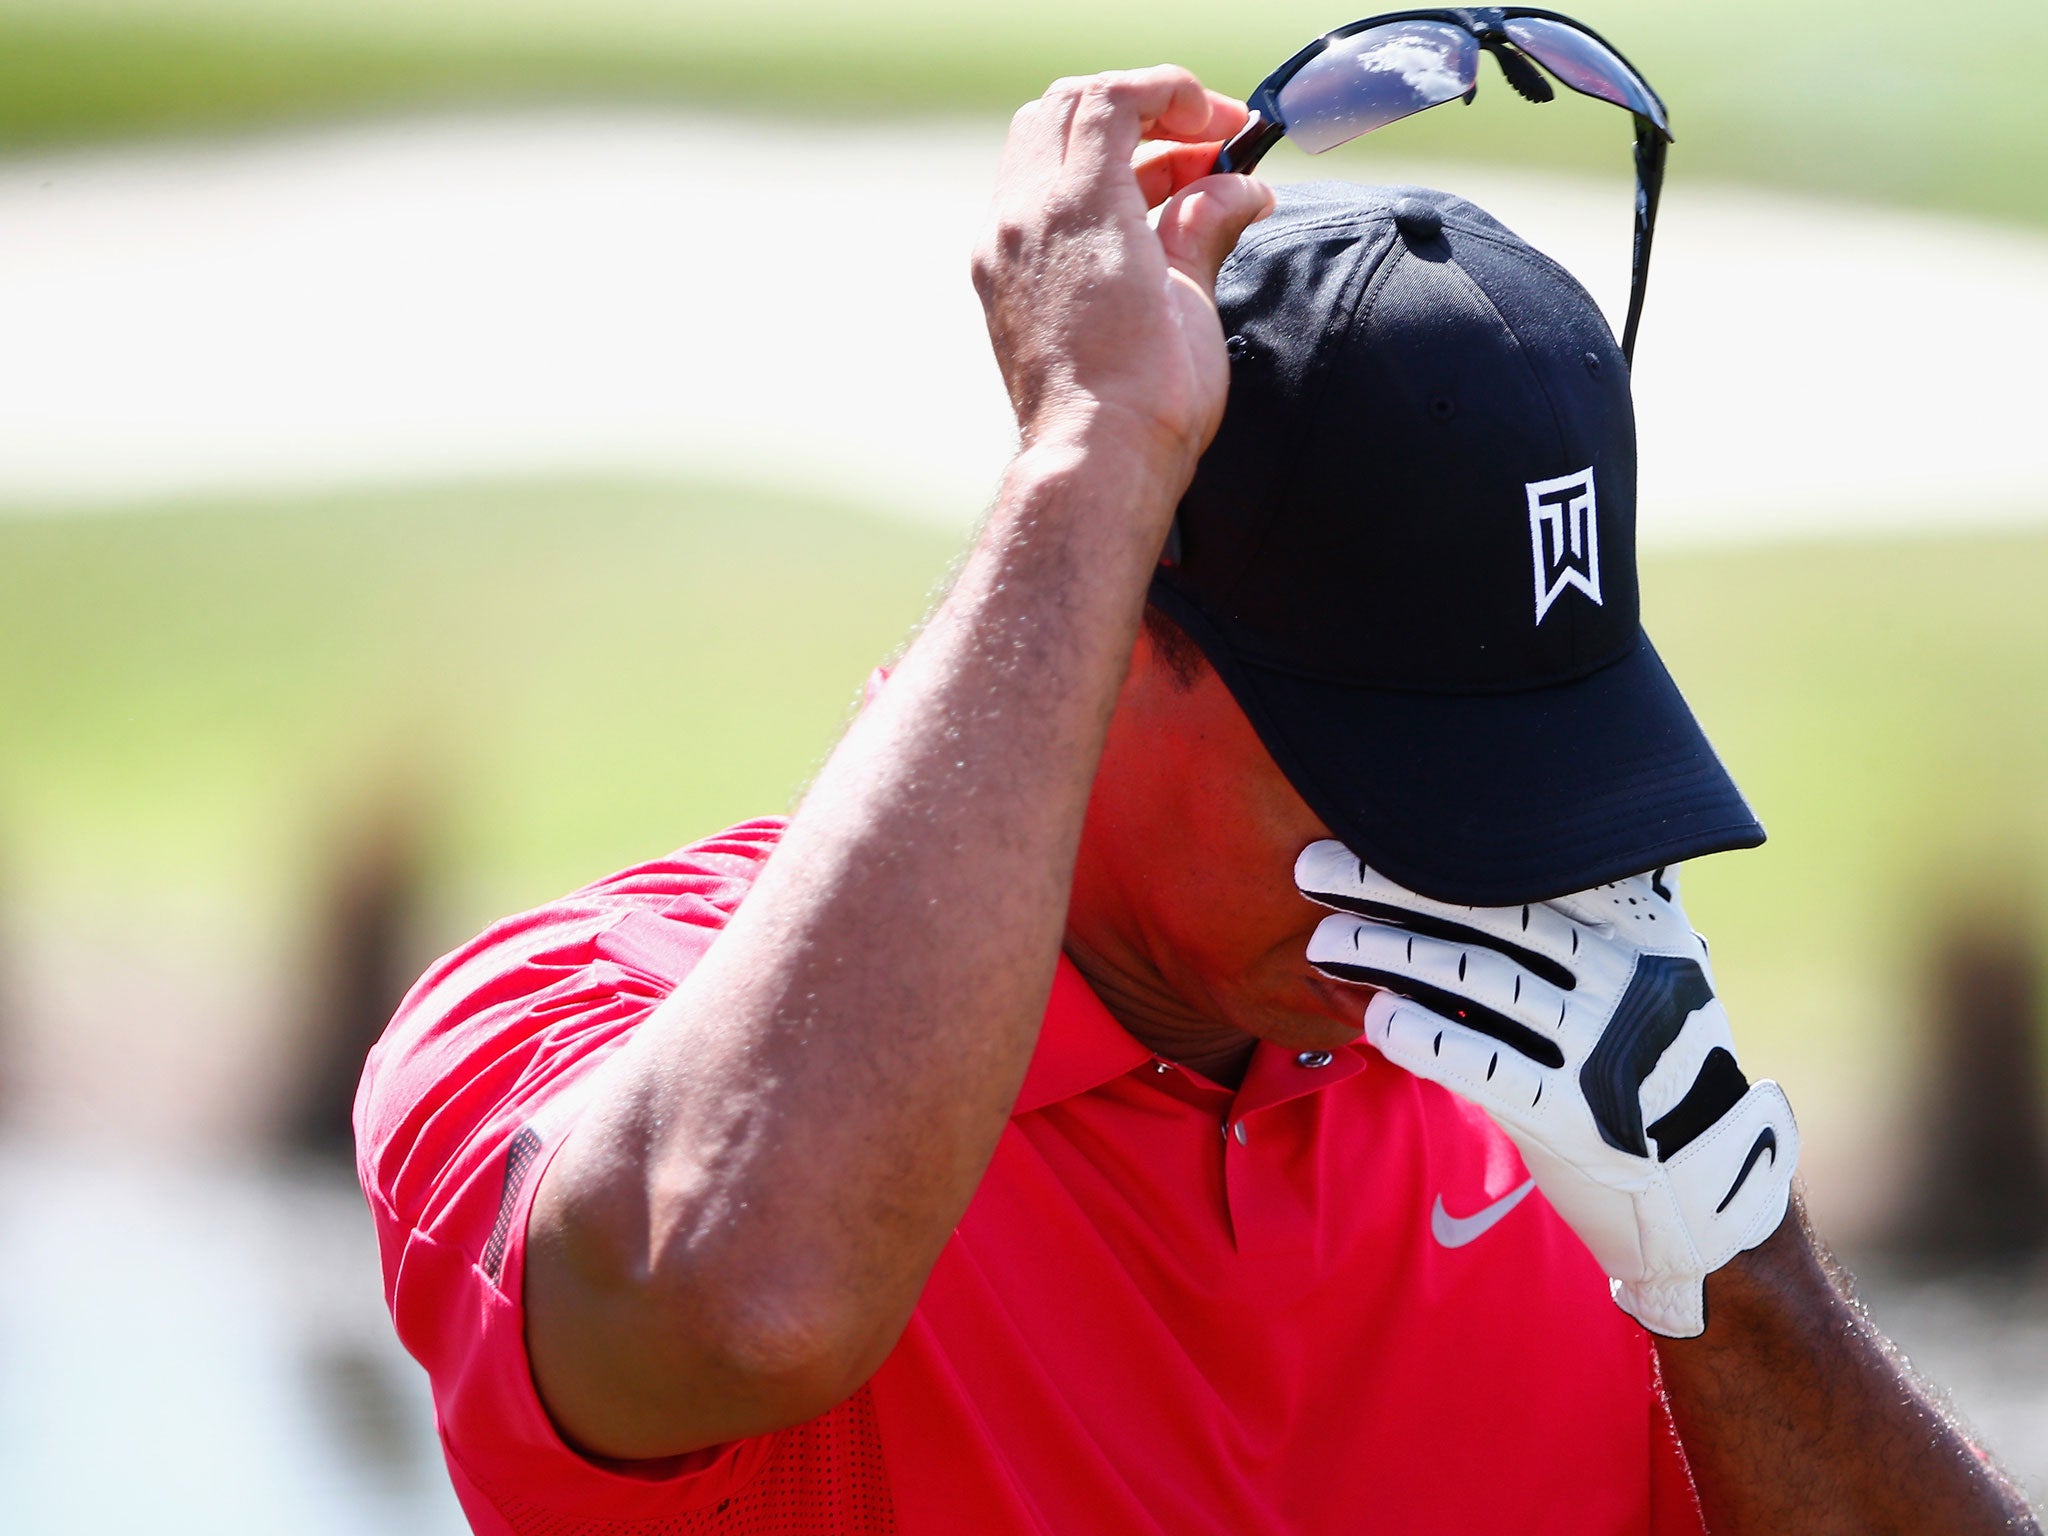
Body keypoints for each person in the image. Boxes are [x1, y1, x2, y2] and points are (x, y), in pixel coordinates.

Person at [354, 68, 2039, 1534]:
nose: (1485, 859)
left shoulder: (1553, 1095)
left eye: (1538, 766)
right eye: (1400, 761)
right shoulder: (578, 1015)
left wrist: (1743, 1288)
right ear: (1121, 618)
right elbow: (741, 1296)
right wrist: (1090, 445)